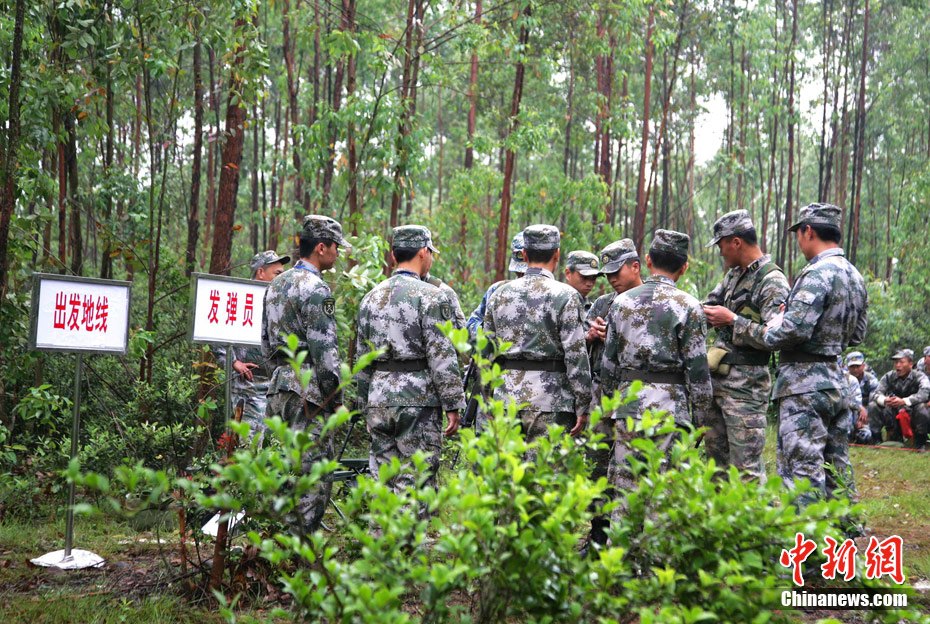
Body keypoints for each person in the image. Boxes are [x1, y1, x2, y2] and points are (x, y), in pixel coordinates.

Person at [731, 203, 867, 505]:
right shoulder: (854, 275)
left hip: (804, 388)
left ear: (808, 231)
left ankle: (806, 546)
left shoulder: (817, 273)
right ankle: (845, 540)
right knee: (837, 467)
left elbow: (790, 333)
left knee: (801, 470)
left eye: (799, 233)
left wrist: (741, 324)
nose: (798, 241)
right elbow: (857, 335)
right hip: (837, 381)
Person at [600, 229, 713, 497]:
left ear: (648, 261)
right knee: (665, 493)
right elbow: (698, 372)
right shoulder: (689, 306)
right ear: (684, 267)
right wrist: (700, 420)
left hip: (629, 408)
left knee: (626, 492)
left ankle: (621, 540)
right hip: (670, 412)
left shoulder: (621, 303)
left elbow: (608, 365)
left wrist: (612, 402)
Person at [355, 225, 465, 494]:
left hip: (378, 398)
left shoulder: (371, 297)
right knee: (414, 482)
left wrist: (363, 404)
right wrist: (453, 403)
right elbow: (441, 355)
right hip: (417, 400)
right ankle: (406, 536)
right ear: (423, 252)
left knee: (382, 480)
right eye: (431, 253)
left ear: (393, 256)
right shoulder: (431, 297)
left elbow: (361, 358)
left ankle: (381, 534)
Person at [262, 215, 349, 532]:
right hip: (309, 392)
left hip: (279, 388)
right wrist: (334, 399)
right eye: (336, 247)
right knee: (312, 474)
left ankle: (275, 547)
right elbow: (325, 352)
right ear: (322, 247)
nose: (338, 253)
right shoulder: (316, 289)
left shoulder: (276, 284)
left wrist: (281, 377)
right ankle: (301, 551)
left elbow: (265, 342)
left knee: (280, 469)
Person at [483, 224, 591, 443]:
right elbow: (576, 356)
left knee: (508, 474)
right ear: (557, 255)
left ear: (524, 254)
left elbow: (486, 353)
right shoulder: (567, 296)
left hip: (506, 399)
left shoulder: (499, 295)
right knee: (545, 473)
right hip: (551, 401)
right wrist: (583, 403)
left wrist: (487, 399)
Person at [701, 210, 789, 481]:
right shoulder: (732, 275)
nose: (720, 251)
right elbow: (706, 306)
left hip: (746, 392)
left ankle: (750, 523)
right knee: (717, 468)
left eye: (721, 244)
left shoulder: (772, 281)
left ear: (736, 242)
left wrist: (732, 320)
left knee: (746, 471)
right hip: (719, 383)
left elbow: (777, 338)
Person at [581, 238, 642, 550]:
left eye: (617, 271)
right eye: (607, 274)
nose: (612, 279)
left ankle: (629, 540)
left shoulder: (648, 301)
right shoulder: (602, 304)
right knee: (598, 466)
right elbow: (576, 341)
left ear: (635, 266)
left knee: (631, 470)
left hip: (634, 400)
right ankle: (598, 534)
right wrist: (590, 336)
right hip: (600, 398)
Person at [215, 250, 290, 442]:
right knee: (246, 439)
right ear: (261, 273)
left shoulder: (276, 301)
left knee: (268, 439)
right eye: (277, 274)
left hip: (271, 385)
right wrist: (233, 363)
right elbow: (215, 335)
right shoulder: (240, 298)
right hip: (246, 386)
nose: (281, 279)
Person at [465, 231, 525, 339]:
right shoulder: (497, 290)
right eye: (520, 272)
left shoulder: (557, 294)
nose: (522, 275)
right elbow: (471, 325)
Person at [867, 349, 930, 449]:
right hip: (892, 413)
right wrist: (885, 400)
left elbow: (924, 393)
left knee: (922, 407)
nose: (897, 365)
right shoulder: (888, 376)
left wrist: (904, 401)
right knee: (873, 405)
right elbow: (875, 393)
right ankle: (877, 441)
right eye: (896, 362)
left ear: (910, 364)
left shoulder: (919, 376)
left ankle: (920, 443)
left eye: (901, 362)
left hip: (912, 413)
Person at [845, 351, 878, 444]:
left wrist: (863, 416)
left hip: (867, 412)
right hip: (850, 411)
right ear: (847, 367)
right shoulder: (843, 379)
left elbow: (874, 398)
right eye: (852, 367)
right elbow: (842, 399)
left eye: (858, 366)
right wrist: (859, 408)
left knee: (865, 437)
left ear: (863, 366)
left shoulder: (871, 380)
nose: (855, 369)